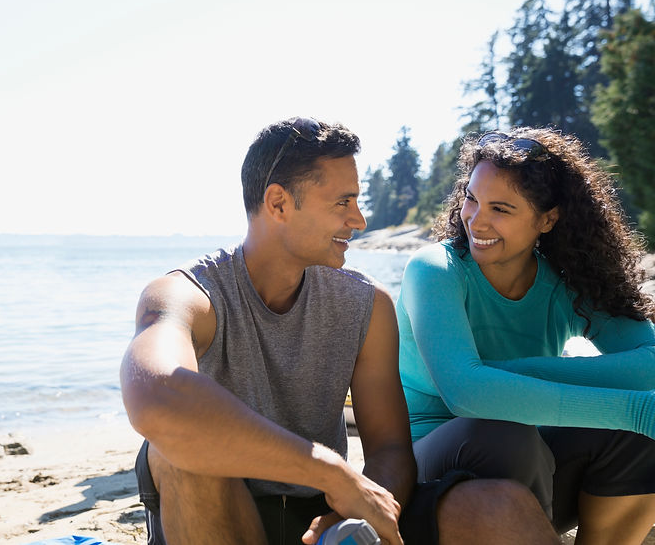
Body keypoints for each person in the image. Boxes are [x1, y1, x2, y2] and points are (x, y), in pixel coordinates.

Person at [120, 118, 559, 545]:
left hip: (322, 523)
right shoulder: (187, 295)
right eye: (343, 202)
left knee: (499, 507)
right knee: (179, 450)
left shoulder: (367, 305)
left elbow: (389, 450)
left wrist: (357, 512)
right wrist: (330, 471)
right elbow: (157, 397)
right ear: (278, 204)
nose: (360, 220)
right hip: (220, 514)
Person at [396, 127, 655, 544]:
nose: (476, 219)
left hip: (531, 475)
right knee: (503, 429)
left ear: (547, 219)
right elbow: (466, 396)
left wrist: (499, 374)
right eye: (471, 199)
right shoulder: (436, 269)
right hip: (426, 477)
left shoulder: (565, 283)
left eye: (500, 208)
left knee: (646, 441)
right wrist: (642, 411)